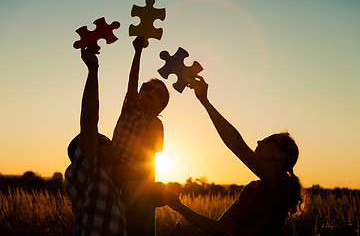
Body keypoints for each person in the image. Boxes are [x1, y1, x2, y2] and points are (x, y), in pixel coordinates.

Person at [166, 75, 304, 236]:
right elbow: (218, 228)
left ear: (281, 155)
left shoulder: (280, 183)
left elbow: (236, 145)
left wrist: (205, 102)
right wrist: (178, 206)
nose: (259, 141)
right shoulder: (251, 188)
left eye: (268, 140)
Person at [64, 44, 126, 236]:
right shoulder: (85, 173)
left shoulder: (113, 185)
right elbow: (89, 122)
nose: (111, 144)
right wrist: (93, 70)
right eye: (103, 142)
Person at [111, 36, 170, 236]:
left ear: (162, 105)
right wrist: (138, 52)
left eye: (157, 92)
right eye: (147, 88)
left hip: (138, 181)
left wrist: (149, 187)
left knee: (141, 225)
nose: (150, 91)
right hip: (114, 173)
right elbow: (132, 81)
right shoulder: (131, 109)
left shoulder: (158, 125)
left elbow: (152, 159)